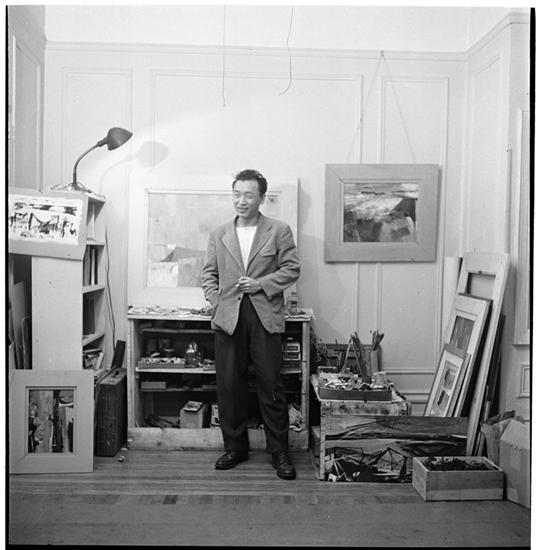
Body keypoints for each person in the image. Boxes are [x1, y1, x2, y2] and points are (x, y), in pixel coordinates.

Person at [201, 169, 300, 480]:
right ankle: (235, 448)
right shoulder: (219, 233)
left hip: (264, 314)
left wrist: (261, 284)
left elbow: (292, 269)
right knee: (229, 385)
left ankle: (279, 452)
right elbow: (208, 274)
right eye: (237, 194)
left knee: (271, 385)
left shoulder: (278, 230)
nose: (241, 201)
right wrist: (216, 302)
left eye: (248, 195)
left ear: (261, 198)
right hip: (228, 317)